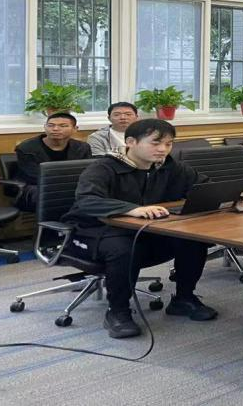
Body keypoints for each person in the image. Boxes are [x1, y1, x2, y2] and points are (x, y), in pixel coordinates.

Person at [63, 119, 215, 339]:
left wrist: (225, 198)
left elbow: (203, 186)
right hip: (92, 231)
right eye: (155, 143)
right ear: (131, 142)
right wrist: (132, 209)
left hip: (144, 230)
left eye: (168, 144)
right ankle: (118, 311)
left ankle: (183, 299)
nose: (163, 149)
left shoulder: (170, 166)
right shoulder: (103, 168)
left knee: (192, 238)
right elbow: (87, 200)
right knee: (123, 248)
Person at [14, 112, 93, 212]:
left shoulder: (82, 147)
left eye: (63, 126)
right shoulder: (27, 148)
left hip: (72, 185)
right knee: (55, 194)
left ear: (75, 129)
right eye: (51, 125)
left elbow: (87, 172)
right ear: (45, 127)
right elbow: (33, 175)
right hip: (34, 186)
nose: (55, 129)